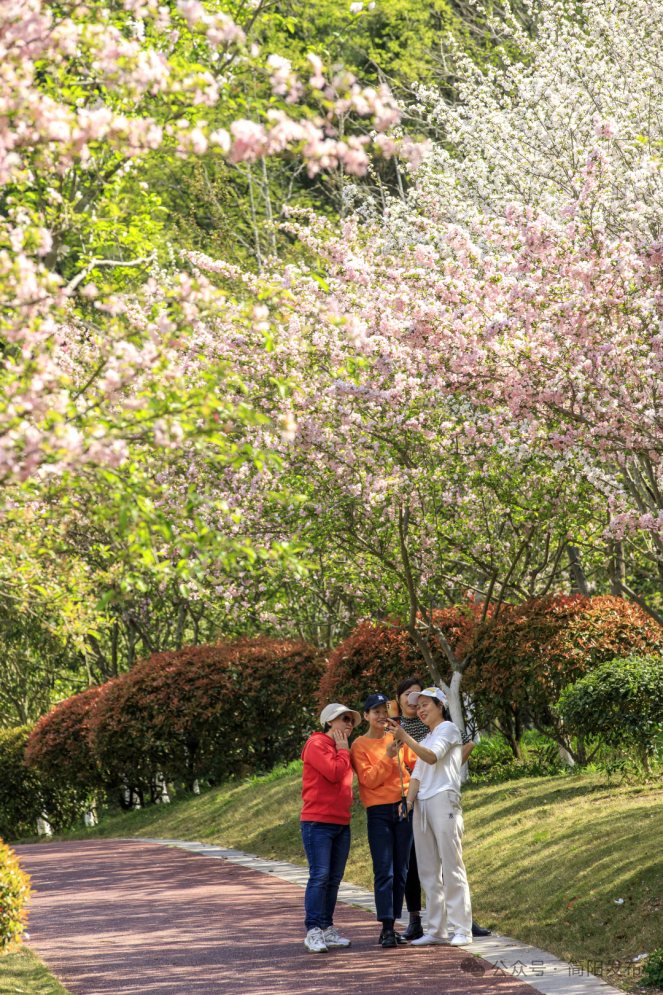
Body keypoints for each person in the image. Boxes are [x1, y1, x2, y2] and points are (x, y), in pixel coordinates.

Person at [395, 677, 490, 941]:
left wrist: (404, 737)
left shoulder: (448, 729)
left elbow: (432, 757)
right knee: (427, 870)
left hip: (443, 800)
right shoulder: (427, 735)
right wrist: (409, 803)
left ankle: (462, 929)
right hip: (423, 804)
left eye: (425, 704)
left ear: (440, 705)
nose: (421, 709)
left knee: (451, 865)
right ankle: (436, 929)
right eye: (418, 706)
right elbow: (416, 775)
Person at [350, 692, 418, 948]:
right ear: (366, 716)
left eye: (384, 710)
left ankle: (392, 925)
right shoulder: (359, 745)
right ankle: (387, 927)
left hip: (403, 807)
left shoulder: (396, 737)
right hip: (378, 811)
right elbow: (368, 780)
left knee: (401, 869)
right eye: (375, 712)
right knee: (384, 870)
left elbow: (416, 763)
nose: (380, 716)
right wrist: (389, 755)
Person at [300, 701, 361, 953]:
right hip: (317, 822)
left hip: (341, 822)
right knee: (320, 876)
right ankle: (313, 930)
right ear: (328, 722)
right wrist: (343, 749)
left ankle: (326, 928)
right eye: (342, 719)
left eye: (350, 720)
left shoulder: (339, 747)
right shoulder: (317, 744)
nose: (348, 724)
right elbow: (335, 773)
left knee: (334, 879)